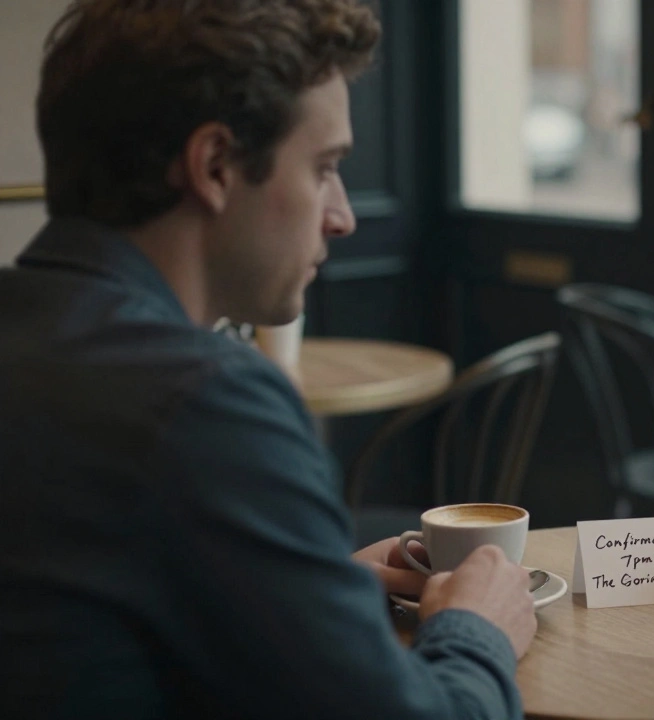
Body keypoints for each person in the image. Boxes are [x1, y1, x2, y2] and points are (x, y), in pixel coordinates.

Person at [0, 2, 534, 718]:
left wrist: (303, 591)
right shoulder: (204, 400)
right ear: (216, 165)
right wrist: (478, 630)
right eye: (324, 168)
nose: (341, 215)